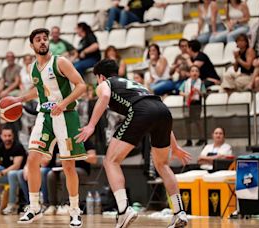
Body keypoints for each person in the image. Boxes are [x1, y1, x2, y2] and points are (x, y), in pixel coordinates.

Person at [76, 59, 191, 228]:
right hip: (163, 111)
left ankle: (124, 210)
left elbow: (106, 96)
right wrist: (174, 146)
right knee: (162, 165)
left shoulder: (105, 83)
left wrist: (91, 125)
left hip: (141, 112)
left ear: (100, 76)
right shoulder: (135, 83)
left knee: (110, 161)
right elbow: (155, 110)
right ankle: (180, 212)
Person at [16, 28, 87, 227]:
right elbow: (39, 91)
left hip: (66, 116)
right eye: (38, 40)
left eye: (45, 39)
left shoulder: (60, 62)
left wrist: (63, 104)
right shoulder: (32, 68)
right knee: (32, 159)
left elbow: (81, 85)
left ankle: (74, 210)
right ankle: (34, 207)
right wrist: (20, 98)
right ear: (32, 45)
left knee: (68, 166)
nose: (42, 42)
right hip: (45, 115)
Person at [44, 141, 97, 215]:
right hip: (61, 169)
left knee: (65, 174)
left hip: (80, 170)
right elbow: (44, 162)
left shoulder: (83, 140)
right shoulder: (58, 142)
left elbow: (93, 158)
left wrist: (79, 154)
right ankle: (52, 205)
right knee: (50, 174)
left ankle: (67, 204)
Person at [180, 65, 207, 147]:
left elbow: (204, 93)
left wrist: (198, 92)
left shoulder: (201, 83)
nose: (194, 73)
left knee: (197, 121)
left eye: (196, 71)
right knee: (187, 122)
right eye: (192, 71)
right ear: (189, 73)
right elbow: (180, 91)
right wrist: (186, 94)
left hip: (196, 104)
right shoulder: (186, 82)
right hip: (188, 103)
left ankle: (202, 138)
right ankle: (189, 140)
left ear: (199, 73)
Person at [247, 8, 259, 91]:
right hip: (258, 55)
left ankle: (250, 82)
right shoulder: (256, 25)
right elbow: (250, 39)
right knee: (257, 80)